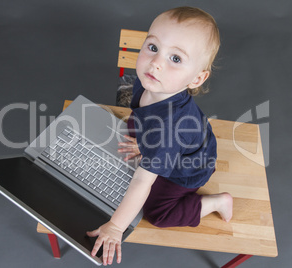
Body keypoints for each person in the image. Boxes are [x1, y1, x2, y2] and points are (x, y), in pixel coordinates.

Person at [86, 6, 233, 265]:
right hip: (174, 140)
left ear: (197, 78)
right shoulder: (148, 80)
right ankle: (146, 147)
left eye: (175, 59)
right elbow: (141, 116)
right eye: (153, 47)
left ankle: (214, 203)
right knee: (135, 129)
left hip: (186, 169)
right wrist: (145, 145)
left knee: (156, 213)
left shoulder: (168, 132)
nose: (156, 63)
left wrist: (116, 227)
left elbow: (142, 183)